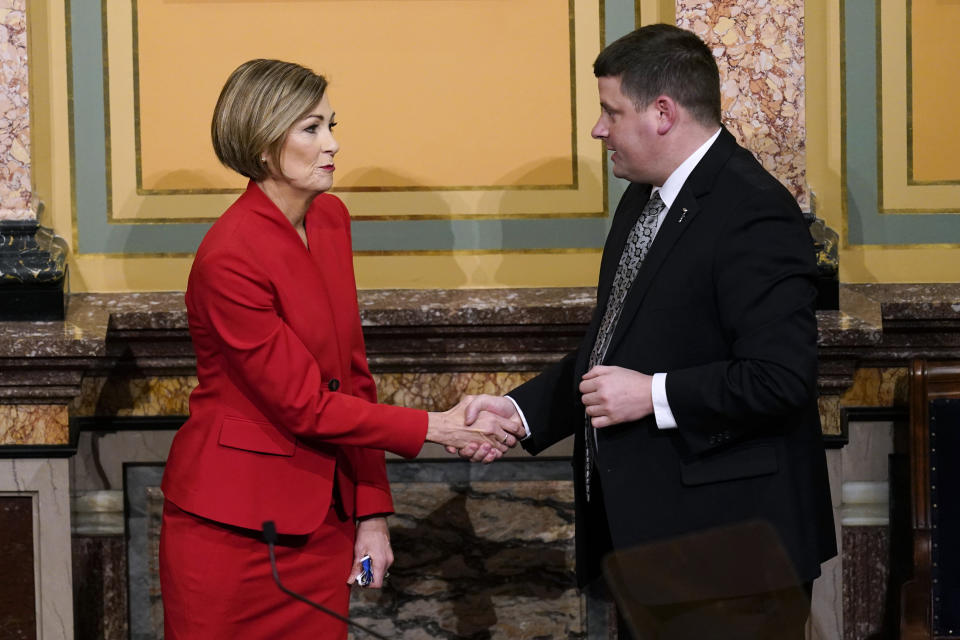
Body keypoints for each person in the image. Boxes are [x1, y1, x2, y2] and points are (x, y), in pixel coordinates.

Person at [462, 24, 837, 638]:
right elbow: (613, 346)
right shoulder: (643, 196)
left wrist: (654, 394)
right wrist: (516, 412)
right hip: (653, 552)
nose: (598, 129)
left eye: (611, 110)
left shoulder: (753, 210)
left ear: (663, 113)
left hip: (733, 560)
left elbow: (781, 378)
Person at [159, 59, 522, 640]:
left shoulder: (330, 219)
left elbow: (351, 376)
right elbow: (304, 404)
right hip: (231, 536)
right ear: (261, 142)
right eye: (311, 129)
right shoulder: (229, 256)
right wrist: (436, 426)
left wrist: (371, 516)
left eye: (332, 125)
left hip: (323, 529)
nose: (333, 144)